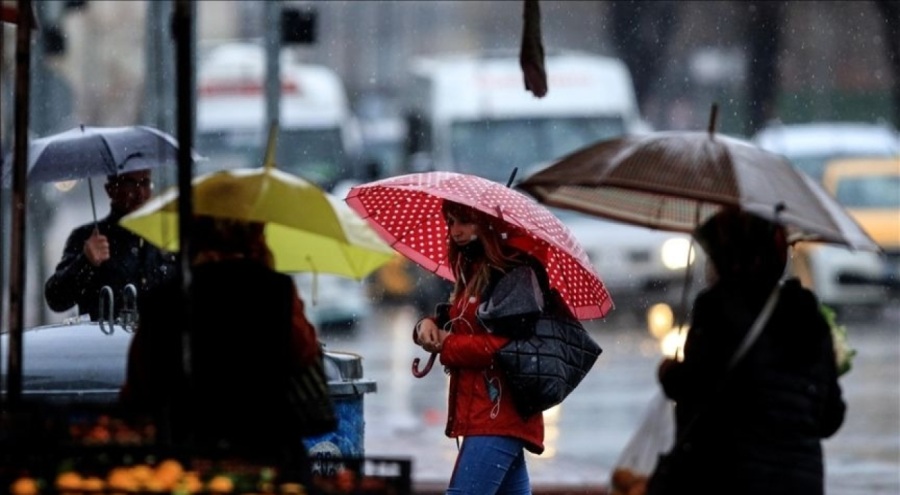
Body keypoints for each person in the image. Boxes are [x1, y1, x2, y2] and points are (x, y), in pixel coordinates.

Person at [651, 208, 846, 495]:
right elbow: (830, 418)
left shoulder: (716, 307)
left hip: (729, 477)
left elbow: (694, 388)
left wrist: (669, 372)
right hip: (800, 483)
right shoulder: (808, 316)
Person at [119, 215, 324, 487]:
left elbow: (139, 386)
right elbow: (304, 352)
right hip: (265, 453)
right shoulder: (273, 290)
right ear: (253, 237)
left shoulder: (165, 299)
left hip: (185, 460)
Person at [414, 200, 548, 495]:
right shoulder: (471, 268)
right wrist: (426, 326)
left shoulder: (513, 273)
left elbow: (507, 345)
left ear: (487, 223)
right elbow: (461, 319)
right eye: (450, 222)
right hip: (484, 410)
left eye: (464, 221)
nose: (455, 230)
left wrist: (448, 344)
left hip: (500, 411)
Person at [44, 169, 178, 321]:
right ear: (111, 189)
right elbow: (56, 299)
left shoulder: (167, 236)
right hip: (105, 342)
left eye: (145, 183)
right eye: (130, 183)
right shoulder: (87, 237)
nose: (139, 192)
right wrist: (86, 261)